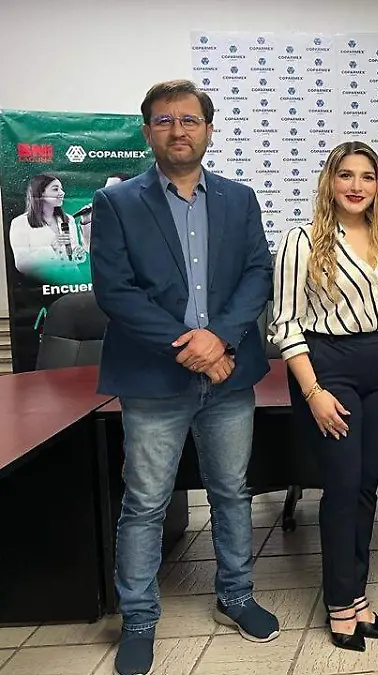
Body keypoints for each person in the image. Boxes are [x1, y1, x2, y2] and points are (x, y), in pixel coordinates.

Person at [90, 79, 279, 675]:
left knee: (231, 492)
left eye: (190, 120)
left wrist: (219, 338)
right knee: (146, 502)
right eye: (165, 120)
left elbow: (257, 273)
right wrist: (192, 346)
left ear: (209, 130)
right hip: (153, 380)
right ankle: (139, 619)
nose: (179, 130)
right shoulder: (118, 203)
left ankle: (236, 595)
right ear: (147, 131)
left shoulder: (239, 199)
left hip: (229, 375)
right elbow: (115, 291)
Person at [270, 141, 378, 652]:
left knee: (369, 485)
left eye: (367, 177)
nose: (356, 186)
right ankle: (339, 600)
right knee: (343, 485)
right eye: (345, 175)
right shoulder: (303, 240)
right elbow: (284, 323)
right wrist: (313, 391)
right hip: (329, 366)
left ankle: (359, 594)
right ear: (329, 181)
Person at [8, 173, 85, 277]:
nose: (62, 193)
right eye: (55, 189)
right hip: (44, 283)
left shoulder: (69, 219)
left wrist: (78, 253)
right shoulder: (20, 223)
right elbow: (21, 265)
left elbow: (75, 258)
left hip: (73, 279)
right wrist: (51, 249)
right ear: (40, 193)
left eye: (61, 189)